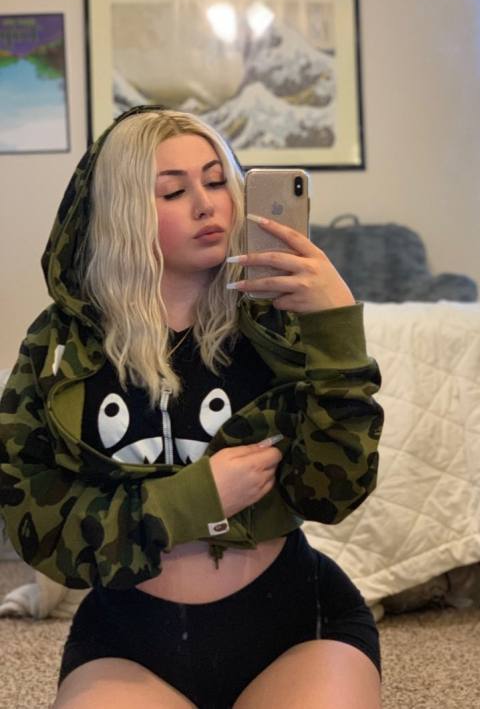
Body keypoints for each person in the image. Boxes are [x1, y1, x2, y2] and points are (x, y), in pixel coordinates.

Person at [0, 106, 383, 708]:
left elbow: (334, 494)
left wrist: (336, 326)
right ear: (124, 212)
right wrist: (192, 501)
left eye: (216, 181)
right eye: (174, 191)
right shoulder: (62, 347)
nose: (207, 205)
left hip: (296, 627)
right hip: (130, 642)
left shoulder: (278, 323)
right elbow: (37, 523)